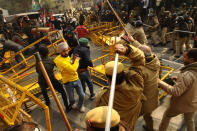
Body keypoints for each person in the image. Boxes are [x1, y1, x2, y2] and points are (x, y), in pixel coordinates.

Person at [96, 41, 146, 130]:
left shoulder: (104, 97)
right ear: (124, 73)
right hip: (130, 123)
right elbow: (140, 59)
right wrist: (126, 50)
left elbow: (101, 117)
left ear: (108, 79)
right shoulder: (136, 83)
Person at [158, 48, 197, 131]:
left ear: (191, 60)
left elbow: (175, 92)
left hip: (181, 104)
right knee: (190, 121)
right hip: (193, 103)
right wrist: (180, 81)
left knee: (167, 116)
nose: (182, 58)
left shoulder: (186, 75)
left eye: (185, 57)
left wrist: (159, 82)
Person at [36, 44, 71, 112]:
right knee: (62, 91)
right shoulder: (52, 60)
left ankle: (47, 103)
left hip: (41, 80)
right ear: (48, 52)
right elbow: (60, 66)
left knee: (44, 92)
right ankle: (67, 106)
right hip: (51, 79)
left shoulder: (38, 61)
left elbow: (37, 71)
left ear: (40, 54)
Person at [54, 42, 85, 112]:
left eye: (67, 50)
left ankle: (80, 106)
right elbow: (73, 69)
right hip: (68, 82)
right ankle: (73, 104)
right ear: (60, 51)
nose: (66, 52)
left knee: (82, 95)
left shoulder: (66, 57)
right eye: (64, 51)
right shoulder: (59, 61)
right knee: (71, 99)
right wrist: (76, 60)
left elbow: (69, 64)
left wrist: (73, 60)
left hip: (76, 79)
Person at [138, 45, 160, 131]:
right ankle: (150, 128)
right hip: (153, 99)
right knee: (148, 116)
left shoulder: (141, 70)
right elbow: (144, 50)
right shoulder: (155, 62)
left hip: (144, 102)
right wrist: (133, 41)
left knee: (130, 119)